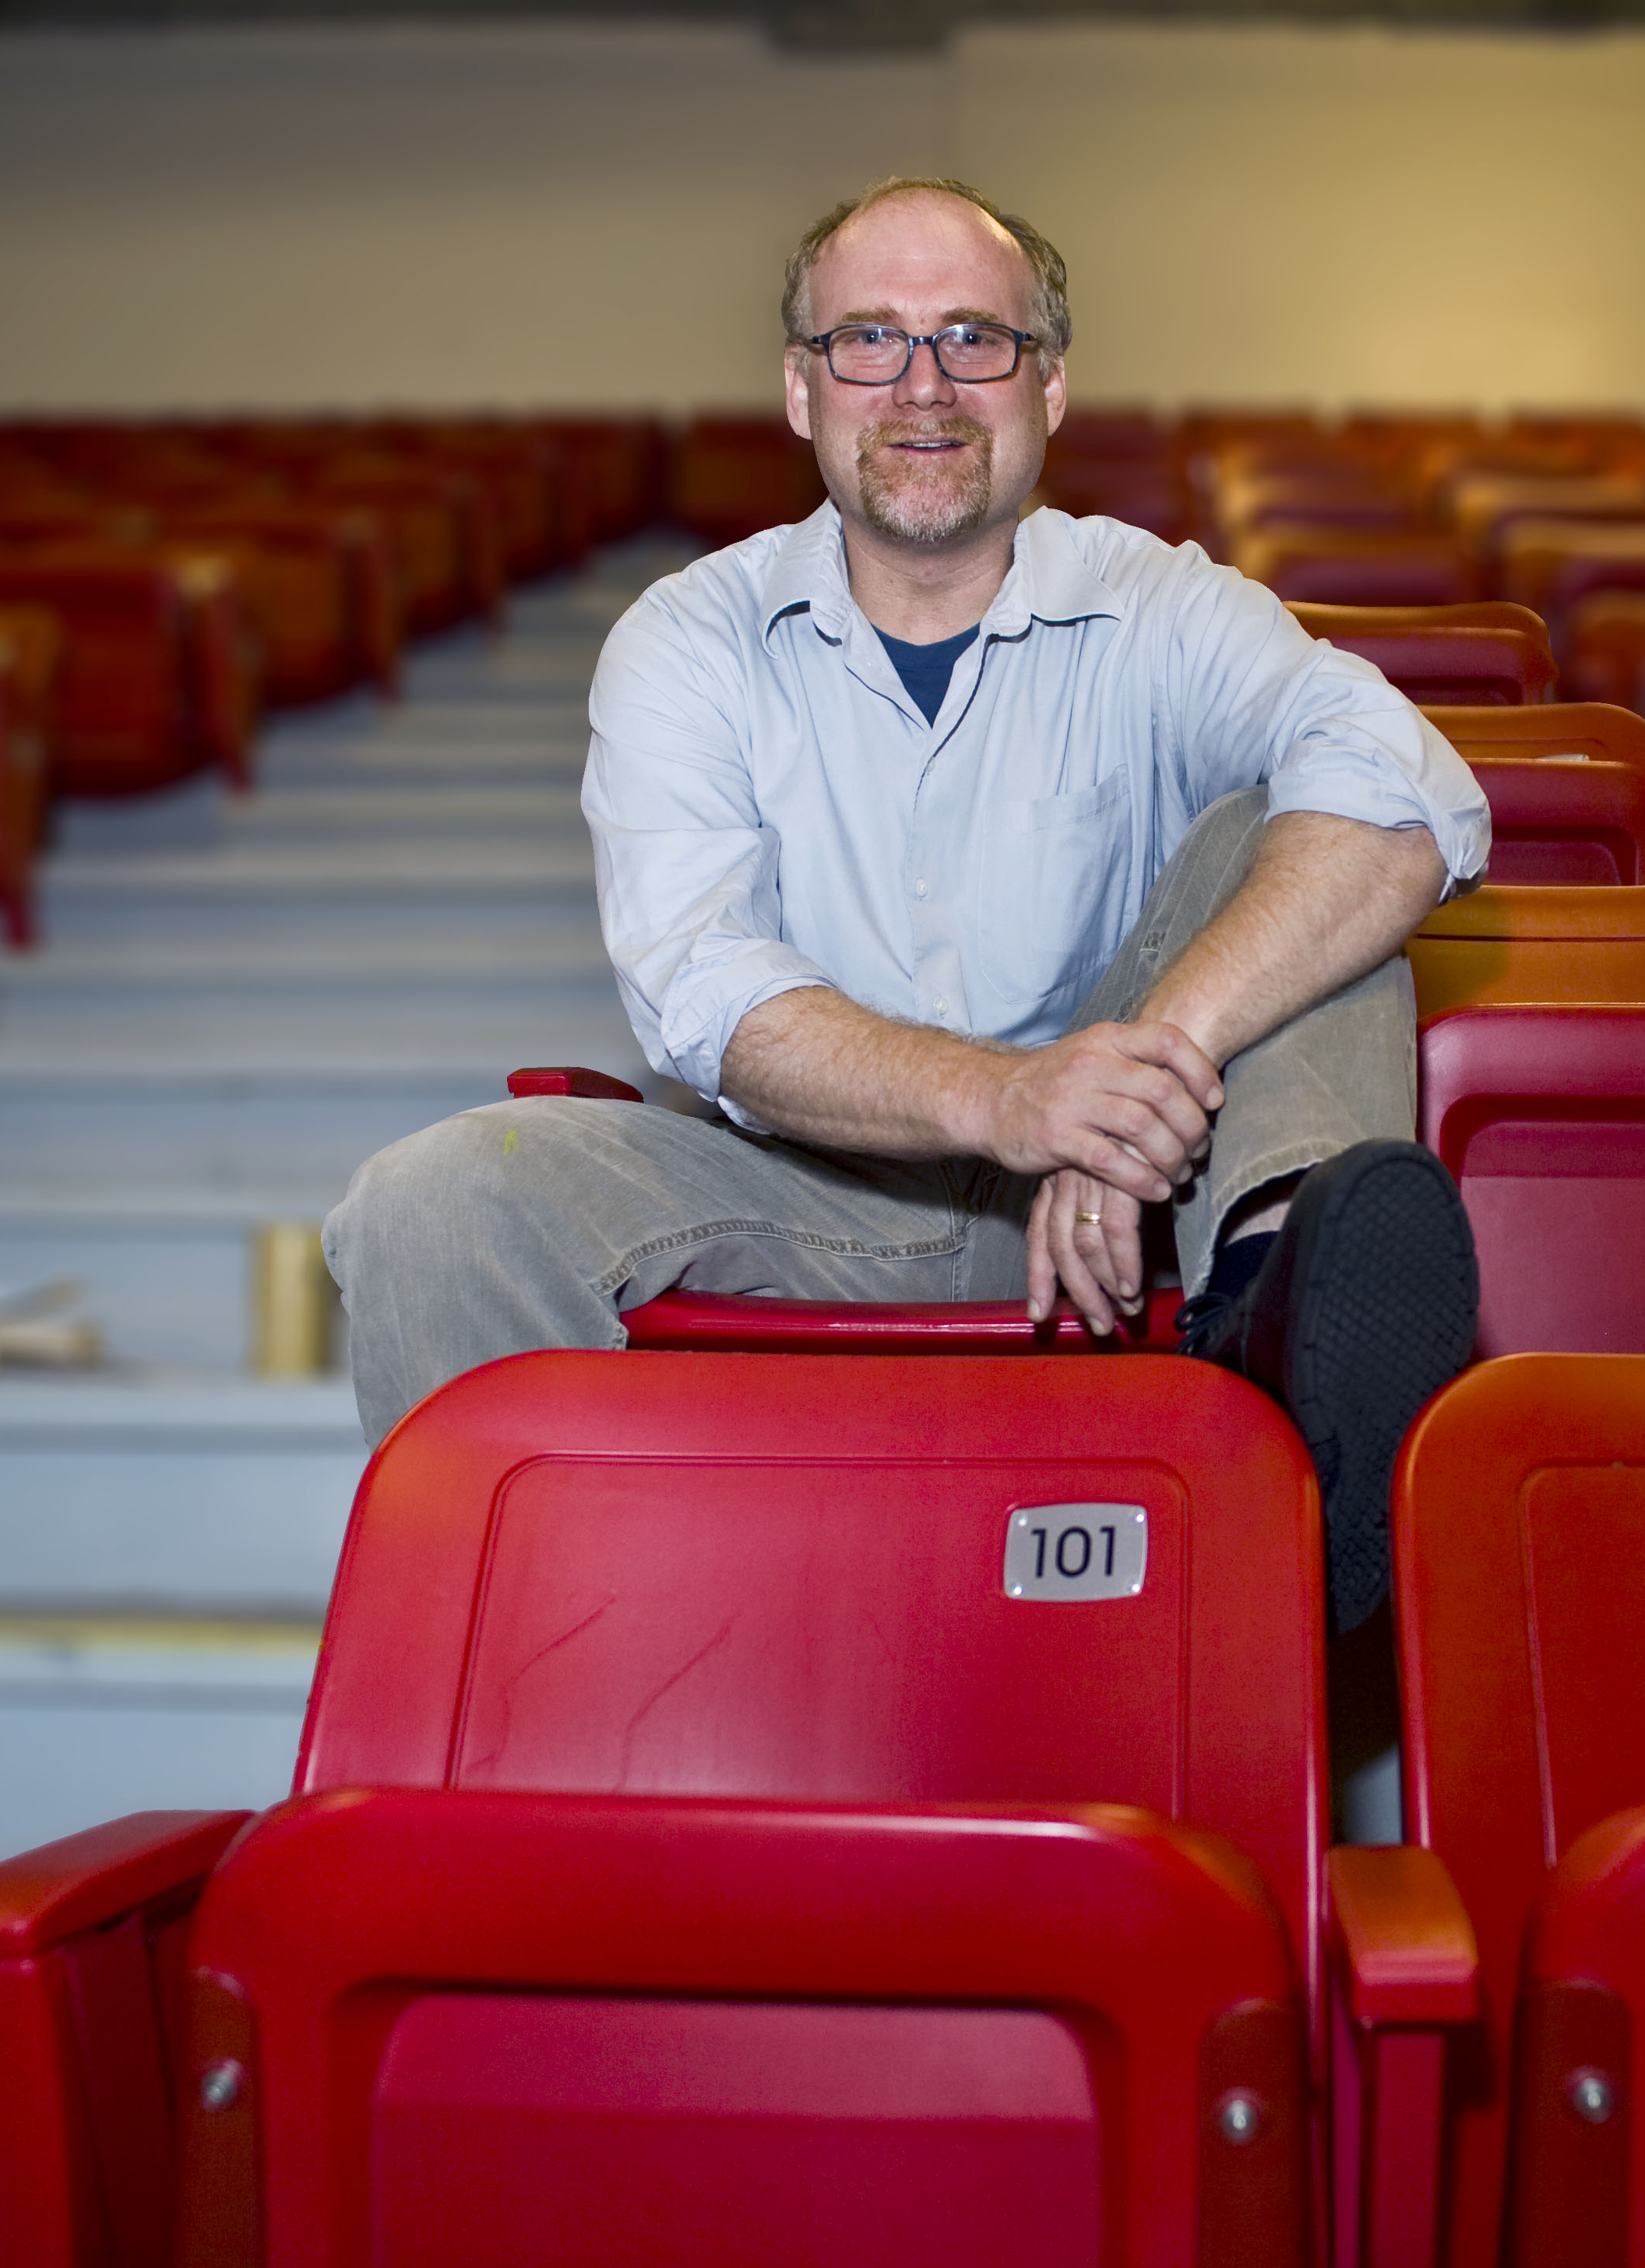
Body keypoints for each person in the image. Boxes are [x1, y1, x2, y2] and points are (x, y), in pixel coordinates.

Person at [324, 176, 1489, 1635]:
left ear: (1050, 387)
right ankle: (544, 1683)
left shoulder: (1165, 605)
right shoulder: (690, 641)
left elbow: (1410, 795)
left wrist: (1116, 1098)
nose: (924, 386)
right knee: (435, 1196)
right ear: (802, 392)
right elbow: (705, 995)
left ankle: (1287, 1347)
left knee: (1297, 836)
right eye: (869, 340)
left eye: (975, 340)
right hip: (817, 1188)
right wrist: (1007, 1102)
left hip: (1143, 1203)